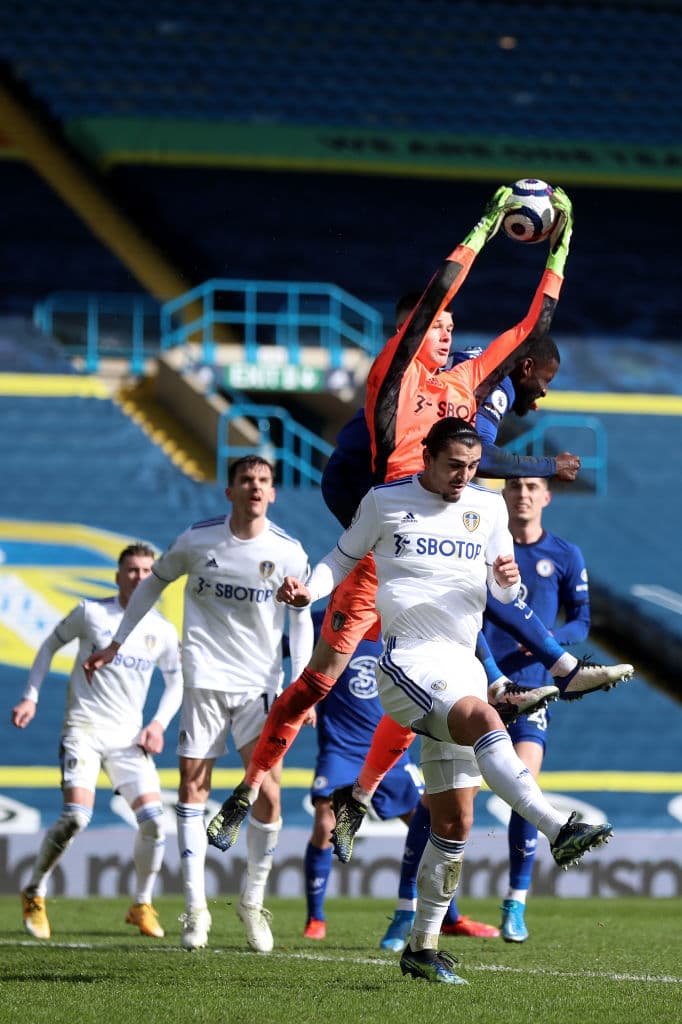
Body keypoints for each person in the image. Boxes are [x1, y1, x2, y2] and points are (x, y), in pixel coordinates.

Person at [207, 185, 629, 856]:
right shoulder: (395, 381)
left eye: (452, 328)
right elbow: (434, 297)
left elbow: (532, 326)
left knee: (438, 677)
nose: (447, 332)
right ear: (409, 332)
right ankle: (246, 788)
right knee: (318, 681)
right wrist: (486, 226)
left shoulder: (465, 385)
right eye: (437, 326)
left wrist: (562, 243)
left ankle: (368, 794)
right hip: (389, 535)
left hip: (446, 538)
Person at [277, 417, 613, 985]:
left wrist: (506, 579)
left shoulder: (488, 507)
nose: (464, 476)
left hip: (462, 663)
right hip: (406, 660)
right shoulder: (385, 502)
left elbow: (504, 590)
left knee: (455, 822)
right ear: (427, 457)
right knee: (484, 718)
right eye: (454, 465)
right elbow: (340, 559)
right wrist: (310, 588)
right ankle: (559, 828)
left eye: (473, 466)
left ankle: (422, 947)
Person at [82, 455, 314, 953]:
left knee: (268, 793)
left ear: (273, 493)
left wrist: (301, 685)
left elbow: (301, 619)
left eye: (264, 481)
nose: (255, 487)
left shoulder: (289, 552)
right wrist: (117, 643)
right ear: (229, 491)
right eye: (246, 480)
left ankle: (252, 902)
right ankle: (196, 907)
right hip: (205, 680)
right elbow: (153, 583)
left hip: (260, 686)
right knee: (193, 788)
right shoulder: (197, 540)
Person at [12, 543, 182, 941]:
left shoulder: (161, 629)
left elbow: (176, 681)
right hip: (84, 731)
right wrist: (30, 696)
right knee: (76, 817)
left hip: (128, 740)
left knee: (156, 823)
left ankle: (141, 904)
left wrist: (158, 724)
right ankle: (34, 890)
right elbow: (49, 645)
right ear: (118, 575)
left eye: (147, 571)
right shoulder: (91, 613)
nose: (139, 577)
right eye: (132, 570)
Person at [303, 611, 498, 940]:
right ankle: (316, 919)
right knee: (326, 823)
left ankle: (449, 917)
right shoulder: (328, 618)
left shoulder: (403, 619)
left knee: (435, 822)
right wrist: (303, 698)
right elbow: (286, 647)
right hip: (342, 747)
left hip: (390, 747)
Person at [483, 476, 593, 942]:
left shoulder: (564, 554)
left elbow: (581, 621)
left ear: (546, 496)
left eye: (532, 487)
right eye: (514, 487)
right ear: (503, 495)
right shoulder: (485, 546)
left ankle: (516, 903)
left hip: (533, 688)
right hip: (479, 685)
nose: (523, 494)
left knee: (524, 790)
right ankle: (417, 909)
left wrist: (548, 642)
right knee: (450, 801)